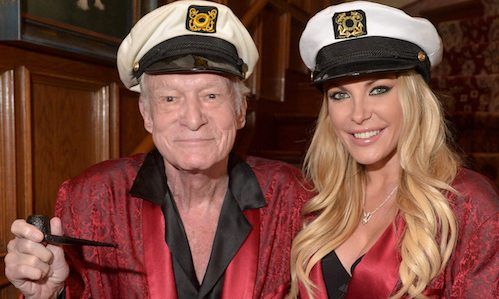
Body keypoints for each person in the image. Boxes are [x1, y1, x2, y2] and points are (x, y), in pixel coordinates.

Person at [5, 1, 312, 298]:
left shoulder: (292, 199)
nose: (193, 120)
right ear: (147, 115)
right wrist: (50, 295)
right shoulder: (91, 199)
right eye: (170, 99)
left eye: (211, 96)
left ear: (240, 110)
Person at [288, 1, 498, 298]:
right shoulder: (320, 197)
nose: (358, 114)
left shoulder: (467, 204)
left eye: (379, 89)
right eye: (340, 95)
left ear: (413, 99)